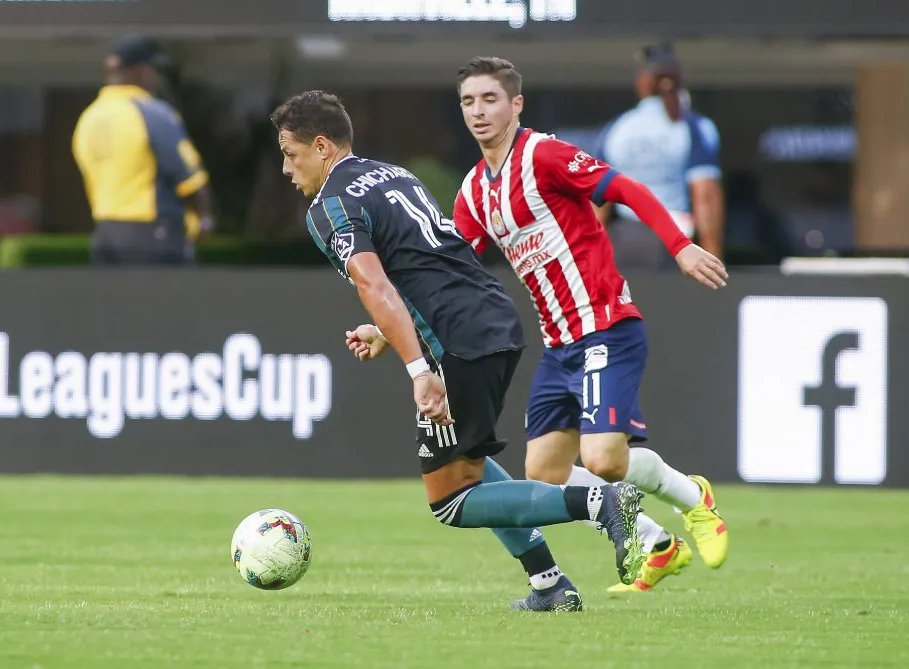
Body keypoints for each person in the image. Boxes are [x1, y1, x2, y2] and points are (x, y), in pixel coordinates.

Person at [269, 90, 647, 612]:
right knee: (468, 464)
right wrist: (388, 332)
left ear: (321, 146)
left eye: (291, 154)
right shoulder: (392, 175)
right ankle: (549, 585)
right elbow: (423, 267)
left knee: (450, 498)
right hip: (491, 317)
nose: (287, 169)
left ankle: (601, 502)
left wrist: (419, 369)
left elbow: (375, 284)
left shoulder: (330, 205)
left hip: (456, 340)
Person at [451, 56, 729, 595]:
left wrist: (681, 246)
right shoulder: (474, 192)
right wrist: (388, 327)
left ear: (516, 104)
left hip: (605, 327)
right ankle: (656, 543)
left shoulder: (544, 155)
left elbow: (627, 189)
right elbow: (452, 271)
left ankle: (694, 498)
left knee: (603, 460)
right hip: (558, 346)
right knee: (544, 473)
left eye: (489, 99)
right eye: (468, 101)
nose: (478, 111)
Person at [72, 34, 213, 266]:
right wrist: (204, 219)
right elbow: (189, 177)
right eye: (155, 70)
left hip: (105, 234)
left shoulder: (89, 117)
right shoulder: (153, 113)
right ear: (142, 70)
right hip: (153, 233)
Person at [593, 43, 725, 267]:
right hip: (675, 241)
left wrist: (591, 262)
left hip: (625, 245)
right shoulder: (694, 127)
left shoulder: (616, 128)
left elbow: (597, 202)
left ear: (642, 83)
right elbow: (705, 197)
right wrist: (714, 260)